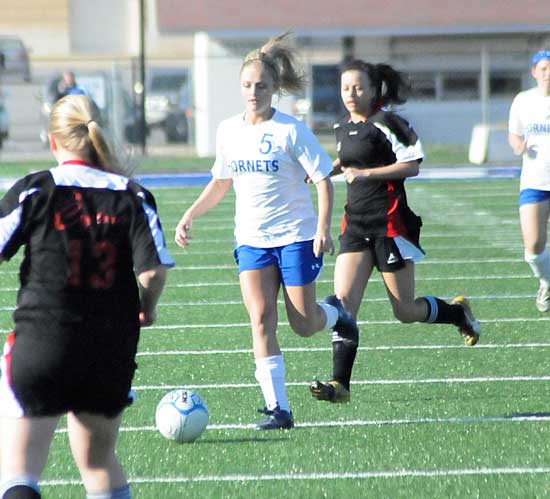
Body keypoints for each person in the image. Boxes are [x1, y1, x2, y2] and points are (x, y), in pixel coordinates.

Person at [174, 32, 358, 430]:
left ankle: (337, 313)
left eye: (261, 85)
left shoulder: (291, 131)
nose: (253, 92)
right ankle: (279, 408)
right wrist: (190, 214)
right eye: (247, 85)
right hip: (251, 240)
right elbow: (221, 182)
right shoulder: (228, 131)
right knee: (260, 320)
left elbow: (323, 179)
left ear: (275, 88)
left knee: (304, 324)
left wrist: (322, 230)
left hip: (294, 236)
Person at [0, 94, 173, 499]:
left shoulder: (37, 188)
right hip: (109, 348)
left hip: (43, 340)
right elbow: (152, 270)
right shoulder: (132, 195)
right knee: (97, 465)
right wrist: (146, 308)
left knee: (20, 469)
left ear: (53, 140)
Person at [309, 59, 481, 404]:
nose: (351, 94)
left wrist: (367, 174)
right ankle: (340, 385)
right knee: (344, 306)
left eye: (358, 87)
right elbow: (350, 158)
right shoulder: (341, 125)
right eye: (345, 88)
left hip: (390, 224)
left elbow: (412, 165)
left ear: (374, 90)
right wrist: (327, 170)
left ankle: (457, 313)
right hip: (355, 225)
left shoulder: (389, 122)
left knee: (404, 311)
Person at [508, 49, 550, 313]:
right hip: (535, 181)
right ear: (534, 72)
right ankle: (546, 281)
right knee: (533, 247)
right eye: (543, 68)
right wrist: (518, 146)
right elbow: (514, 134)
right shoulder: (523, 100)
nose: (548, 73)